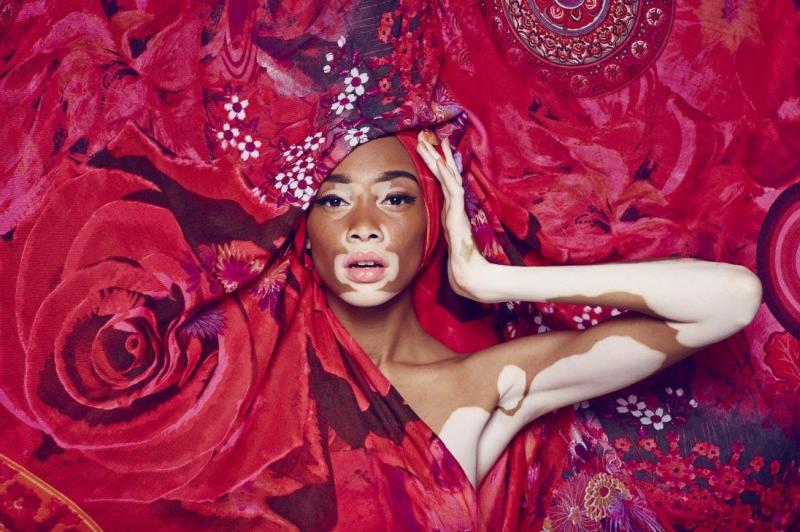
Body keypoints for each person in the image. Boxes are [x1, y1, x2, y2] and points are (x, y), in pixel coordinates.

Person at [305, 130, 763, 490]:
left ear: (433, 219)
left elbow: (734, 299)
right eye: (334, 201)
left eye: (395, 199)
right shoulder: (266, 374)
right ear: (302, 230)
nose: (364, 227)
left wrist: (487, 280)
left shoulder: (488, 385)